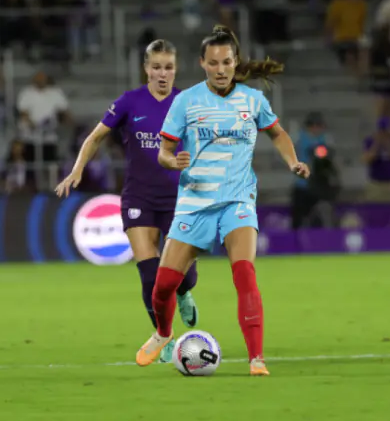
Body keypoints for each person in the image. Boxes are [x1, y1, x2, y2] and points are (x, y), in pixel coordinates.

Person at [133, 25, 310, 376]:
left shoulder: (253, 100)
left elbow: (277, 133)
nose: (220, 69)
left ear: (235, 62)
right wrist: (174, 160)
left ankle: (256, 358)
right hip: (195, 202)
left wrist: (292, 161)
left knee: (245, 274)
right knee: (164, 285)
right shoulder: (186, 101)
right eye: (213, 62)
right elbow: (164, 152)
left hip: (237, 202)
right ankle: (163, 333)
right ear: (202, 63)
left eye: (226, 61)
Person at [54, 39, 201, 364]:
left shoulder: (188, 104)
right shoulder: (129, 102)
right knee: (150, 275)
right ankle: (164, 336)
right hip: (139, 197)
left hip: (179, 199)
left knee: (183, 275)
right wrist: (77, 170)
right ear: (146, 69)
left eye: (169, 67)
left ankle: (185, 291)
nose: (163, 74)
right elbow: (95, 137)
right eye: (157, 67)